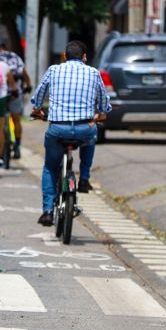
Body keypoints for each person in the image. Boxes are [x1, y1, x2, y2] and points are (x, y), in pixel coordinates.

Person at [31, 41, 112, 227]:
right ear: (84, 57)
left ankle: (48, 211)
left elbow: (39, 95)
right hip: (85, 128)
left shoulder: (54, 70)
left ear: (65, 56)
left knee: (51, 167)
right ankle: (84, 179)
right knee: (91, 136)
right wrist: (100, 113)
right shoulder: (93, 72)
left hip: (58, 129)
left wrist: (37, 110)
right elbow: (104, 104)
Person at [0, 38, 32, 159]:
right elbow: (24, 73)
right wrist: (28, 86)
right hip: (15, 92)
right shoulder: (14, 56)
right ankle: (17, 146)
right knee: (16, 120)